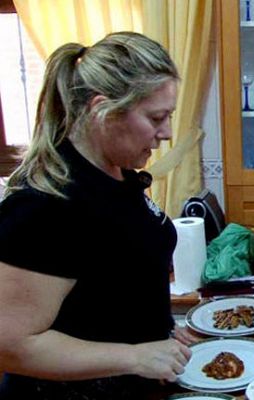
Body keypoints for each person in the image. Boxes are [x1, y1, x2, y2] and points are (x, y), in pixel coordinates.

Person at [0, 32, 198, 399]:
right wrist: (135, 356)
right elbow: (9, 346)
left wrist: (158, 328)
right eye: (157, 117)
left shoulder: (115, 172)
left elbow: (109, 282)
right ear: (101, 109)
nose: (167, 133)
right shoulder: (46, 204)